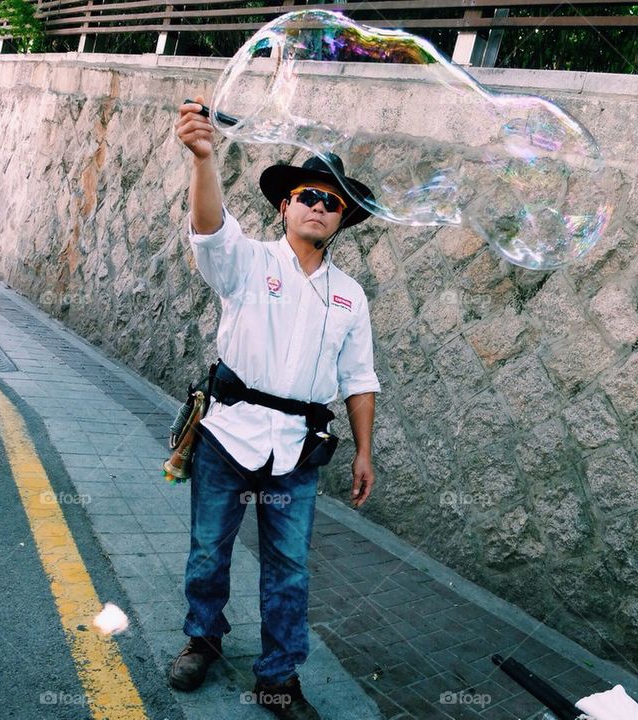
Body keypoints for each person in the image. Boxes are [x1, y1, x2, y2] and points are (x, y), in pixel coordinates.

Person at [169, 95, 381, 720]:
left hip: (297, 453)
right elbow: (211, 229)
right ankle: (203, 638)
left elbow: (359, 378)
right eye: (308, 196)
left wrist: (365, 451)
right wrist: (203, 159)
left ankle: (278, 676)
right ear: (285, 205)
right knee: (209, 550)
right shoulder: (248, 262)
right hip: (227, 436)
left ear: (342, 219)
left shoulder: (350, 297)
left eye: (332, 202)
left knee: (289, 569)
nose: (319, 206)